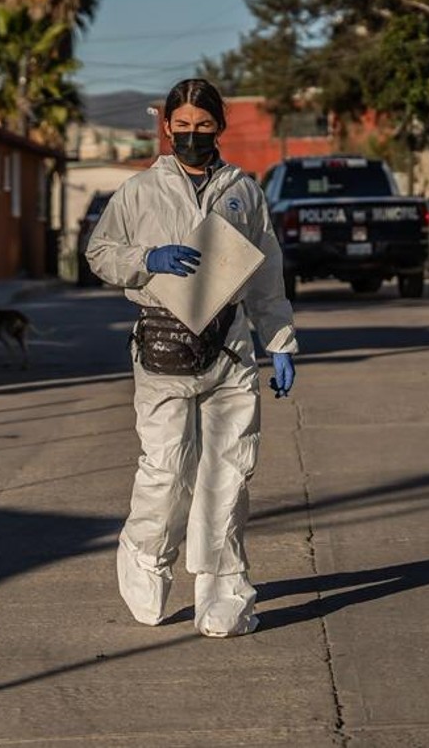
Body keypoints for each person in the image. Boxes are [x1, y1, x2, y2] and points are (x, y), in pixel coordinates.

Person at [84, 78, 300, 638]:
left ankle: (223, 589)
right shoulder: (138, 192)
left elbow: (265, 273)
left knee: (228, 472)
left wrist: (278, 341)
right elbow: (100, 254)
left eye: (203, 128)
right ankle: (146, 557)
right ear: (166, 128)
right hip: (162, 348)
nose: (192, 137)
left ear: (220, 127)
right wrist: (146, 257)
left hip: (229, 349)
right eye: (182, 128)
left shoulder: (244, 193)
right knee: (168, 470)